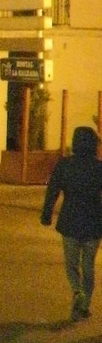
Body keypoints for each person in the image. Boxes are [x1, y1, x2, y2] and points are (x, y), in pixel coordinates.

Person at [41, 126, 102, 320]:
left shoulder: (65, 165)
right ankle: (85, 305)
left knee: (71, 263)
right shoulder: (99, 168)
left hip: (70, 220)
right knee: (89, 265)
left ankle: (77, 291)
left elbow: (53, 190)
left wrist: (47, 214)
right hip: (93, 222)